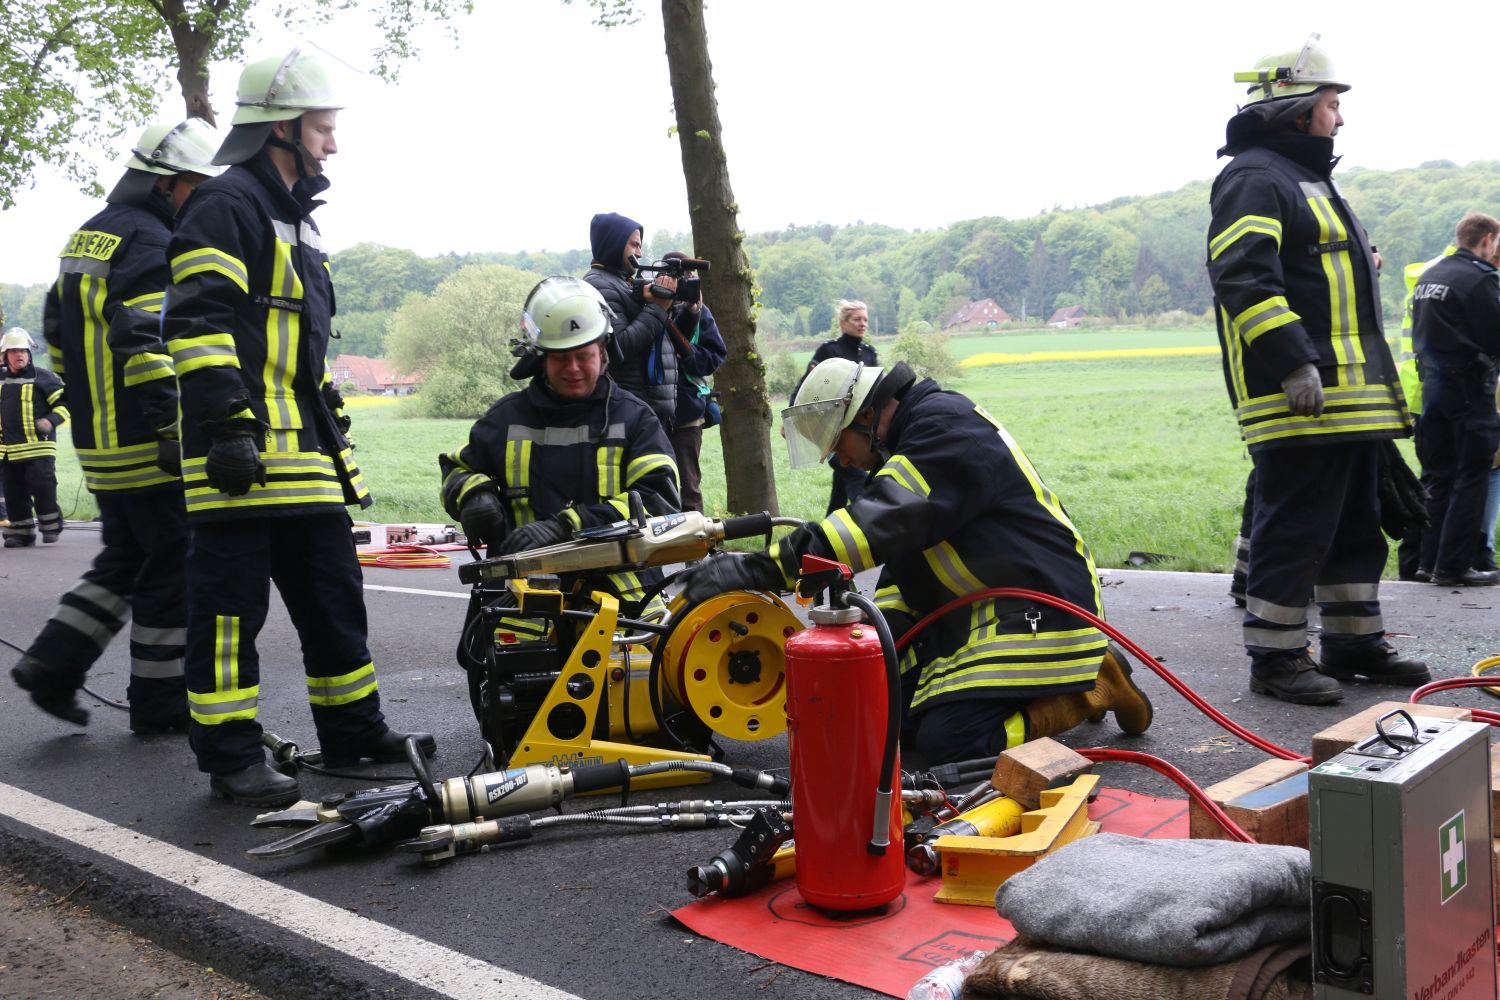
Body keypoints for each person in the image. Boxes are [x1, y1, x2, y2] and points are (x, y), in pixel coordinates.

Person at [162, 47, 431, 808]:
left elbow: (297, 347)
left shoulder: (297, 220)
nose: (333, 145)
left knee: (332, 599)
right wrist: (225, 426)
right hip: (237, 458)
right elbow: (198, 322)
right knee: (227, 617)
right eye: (322, 129)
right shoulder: (226, 205)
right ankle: (231, 757)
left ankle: (353, 730)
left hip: (303, 456)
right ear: (279, 129)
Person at [679, 357, 1153, 764]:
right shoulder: (917, 439)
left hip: (1044, 611)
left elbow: (880, 522)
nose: (842, 463)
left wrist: (764, 568)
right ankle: (1062, 686)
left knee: (953, 742)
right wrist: (875, 640)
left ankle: (1087, 690)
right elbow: (904, 562)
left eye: (838, 446)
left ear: (865, 417)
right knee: (892, 724)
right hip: (984, 614)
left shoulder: (944, 425)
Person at [1207, 36, 1425, 705]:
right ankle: (1274, 659)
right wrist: (1293, 361)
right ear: (1299, 109)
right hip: (1301, 396)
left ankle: (1353, 642)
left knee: (1356, 523)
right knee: (1296, 524)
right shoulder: (1255, 176)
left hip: (1348, 399)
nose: (1340, 116)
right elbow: (1243, 276)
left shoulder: (1302, 177)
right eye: (1332, 103)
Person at [9, 119, 220, 734]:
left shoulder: (90, 238)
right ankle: (160, 703)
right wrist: (167, 424)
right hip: (147, 441)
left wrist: (91, 397)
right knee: (172, 563)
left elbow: (55, 330)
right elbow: (147, 340)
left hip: (101, 440)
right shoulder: (152, 242)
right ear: (166, 184)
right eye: (193, 187)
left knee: (125, 556)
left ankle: (52, 663)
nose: (198, 200)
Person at [1409, 212, 1500, 586]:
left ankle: (1428, 562)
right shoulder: (1480, 280)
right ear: (1488, 239)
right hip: (1468, 389)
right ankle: (1454, 566)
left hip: (1432, 388)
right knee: (1471, 475)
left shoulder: (1430, 277)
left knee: (1438, 477)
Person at [581, 212, 679, 431]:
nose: (640, 253)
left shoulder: (622, 283)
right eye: (634, 245)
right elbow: (619, 347)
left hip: (644, 407)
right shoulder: (600, 285)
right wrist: (657, 308)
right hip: (632, 410)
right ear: (614, 243)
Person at [797, 300, 878, 514]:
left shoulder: (869, 353)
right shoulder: (829, 350)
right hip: (834, 431)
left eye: (865, 320)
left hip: (861, 431)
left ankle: (831, 521)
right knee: (855, 476)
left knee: (843, 478)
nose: (862, 324)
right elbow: (806, 385)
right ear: (843, 323)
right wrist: (793, 422)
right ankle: (869, 516)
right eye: (857, 319)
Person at [661, 252, 727, 513]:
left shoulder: (702, 313)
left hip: (686, 413)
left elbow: (714, 356)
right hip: (653, 412)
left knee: (689, 485)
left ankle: (695, 549)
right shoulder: (651, 308)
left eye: (685, 278)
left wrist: (686, 355)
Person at [0, 328, 67, 547]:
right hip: (8, 451)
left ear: (29, 354)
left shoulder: (44, 377)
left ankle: (51, 525)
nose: (19, 355)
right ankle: (22, 533)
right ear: (5, 355)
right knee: (14, 492)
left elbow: (66, 403)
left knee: (43, 488)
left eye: (23, 351)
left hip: (39, 448)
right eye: (14, 351)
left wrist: (51, 421)